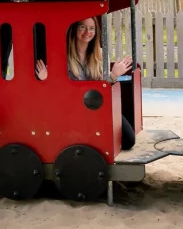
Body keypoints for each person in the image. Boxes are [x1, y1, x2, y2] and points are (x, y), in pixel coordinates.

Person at [35, 17, 136, 150]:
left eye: (92, 28)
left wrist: (114, 75)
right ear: (75, 29)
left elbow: (103, 87)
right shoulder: (61, 54)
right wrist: (45, 80)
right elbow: (55, 88)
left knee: (129, 140)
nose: (87, 32)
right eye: (83, 27)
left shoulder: (99, 54)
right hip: (72, 108)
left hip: (96, 106)